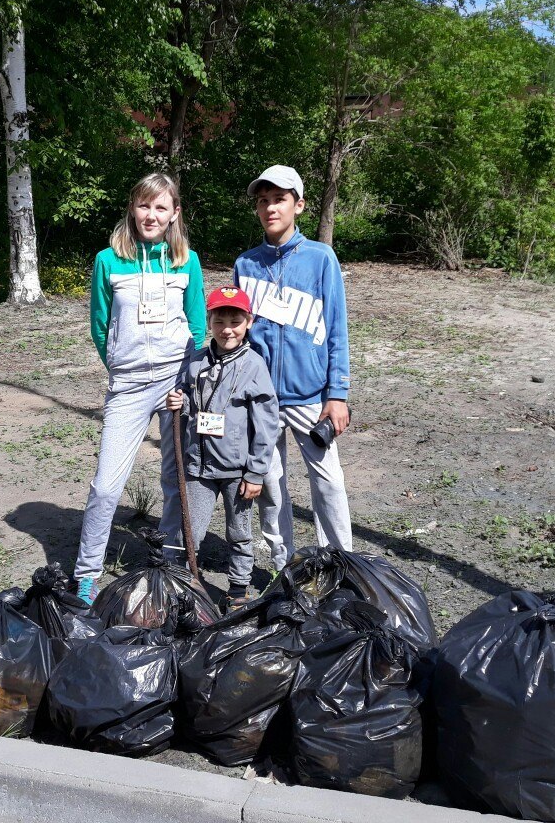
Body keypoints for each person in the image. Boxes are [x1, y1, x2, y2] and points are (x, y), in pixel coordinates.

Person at [74, 172, 206, 605]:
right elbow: (99, 323)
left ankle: (171, 564)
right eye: (145, 205)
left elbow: (199, 323)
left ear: (174, 214)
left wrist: (187, 378)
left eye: (161, 207)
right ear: (133, 208)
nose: (152, 215)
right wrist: (117, 363)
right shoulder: (108, 260)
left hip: (174, 381)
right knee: (107, 485)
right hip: (129, 384)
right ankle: (87, 574)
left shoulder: (186, 261)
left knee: (176, 478)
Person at [233, 164, 352, 571]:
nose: (270, 208)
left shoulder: (321, 259)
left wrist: (337, 394)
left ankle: (340, 565)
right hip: (262, 396)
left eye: (279, 199)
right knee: (270, 485)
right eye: (263, 201)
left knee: (329, 483)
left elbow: (336, 328)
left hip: (310, 396)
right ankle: (285, 566)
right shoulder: (246, 265)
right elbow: (235, 333)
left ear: (298, 205)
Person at [162, 286, 279, 610]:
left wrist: (255, 473)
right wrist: (180, 402)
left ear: (248, 322)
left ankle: (238, 592)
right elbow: (189, 401)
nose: (227, 329)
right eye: (220, 321)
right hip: (199, 468)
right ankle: (186, 588)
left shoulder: (255, 366)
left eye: (235, 321)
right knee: (190, 532)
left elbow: (267, 424)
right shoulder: (197, 361)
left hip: (237, 471)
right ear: (210, 322)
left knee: (238, 532)